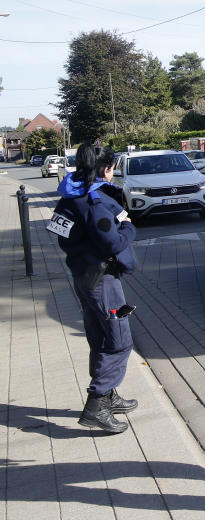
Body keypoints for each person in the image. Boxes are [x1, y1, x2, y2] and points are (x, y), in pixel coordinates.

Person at [51, 143, 138, 433]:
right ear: (105, 169)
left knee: (99, 336)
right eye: (112, 168)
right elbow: (112, 242)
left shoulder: (69, 196)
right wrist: (128, 227)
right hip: (102, 280)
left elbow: (60, 234)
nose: (113, 174)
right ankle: (97, 404)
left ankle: (109, 394)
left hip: (83, 276)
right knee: (119, 340)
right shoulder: (95, 201)